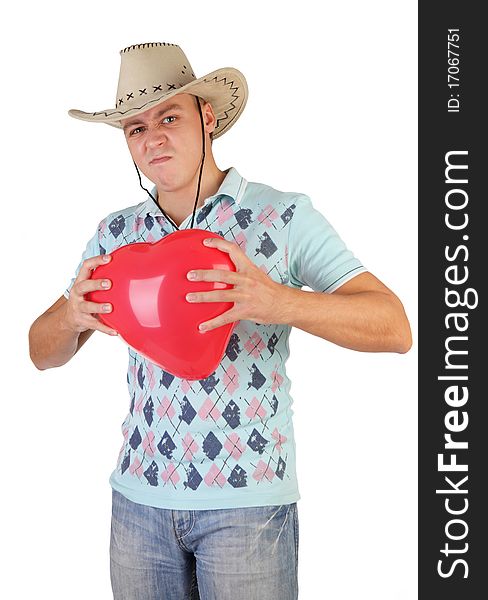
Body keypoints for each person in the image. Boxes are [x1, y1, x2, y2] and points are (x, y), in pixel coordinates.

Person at [29, 42, 412, 600]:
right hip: (139, 503)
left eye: (168, 116)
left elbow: (395, 327)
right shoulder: (115, 237)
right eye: (135, 128)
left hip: (248, 506)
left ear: (207, 118)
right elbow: (41, 353)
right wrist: (70, 315)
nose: (153, 137)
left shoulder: (281, 216)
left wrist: (276, 301)